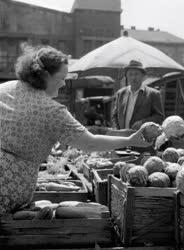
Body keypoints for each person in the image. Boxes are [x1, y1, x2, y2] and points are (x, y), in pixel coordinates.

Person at [0, 45, 151, 215]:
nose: (64, 83)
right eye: (62, 77)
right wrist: (130, 140)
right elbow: (90, 143)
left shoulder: (6, 88)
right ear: (45, 76)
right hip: (7, 194)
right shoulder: (51, 110)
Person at [112, 60, 165, 130]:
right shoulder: (120, 93)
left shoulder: (153, 94)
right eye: (130, 74)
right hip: (123, 137)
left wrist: (143, 122)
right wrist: (117, 130)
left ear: (143, 76)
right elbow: (115, 116)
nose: (133, 77)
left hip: (143, 137)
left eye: (136, 74)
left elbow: (159, 117)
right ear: (126, 76)